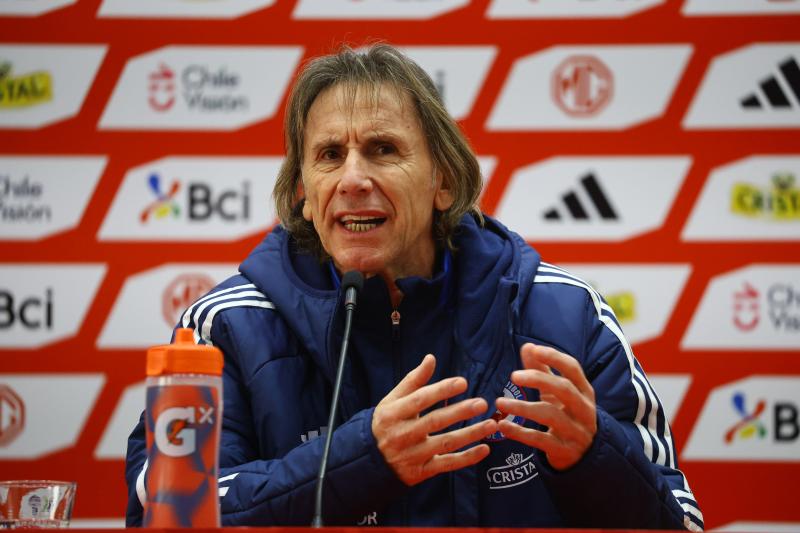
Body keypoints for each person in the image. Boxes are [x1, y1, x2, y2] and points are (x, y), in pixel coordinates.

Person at [125, 43, 703, 529]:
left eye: (383, 149)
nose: (352, 179)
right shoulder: (222, 327)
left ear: (443, 181)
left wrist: (594, 454)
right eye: (329, 155)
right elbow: (165, 512)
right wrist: (359, 461)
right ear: (302, 189)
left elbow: (684, 521)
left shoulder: (566, 314)